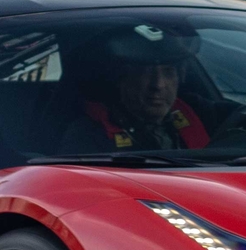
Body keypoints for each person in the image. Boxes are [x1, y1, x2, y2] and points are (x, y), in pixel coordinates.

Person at [59, 21, 221, 153]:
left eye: (168, 72)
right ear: (121, 77)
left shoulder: (195, 110)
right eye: (144, 73)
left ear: (180, 77)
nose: (158, 85)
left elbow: (240, 118)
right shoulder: (88, 135)